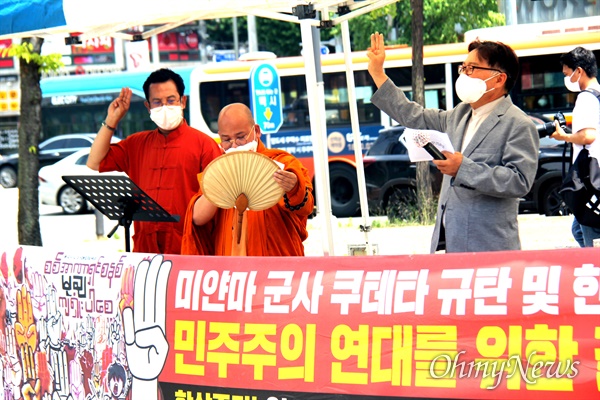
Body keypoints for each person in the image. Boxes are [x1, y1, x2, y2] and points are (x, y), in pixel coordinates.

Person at [367, 33, 539, 253]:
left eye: (472, 68)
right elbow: (413, 115)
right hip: (452, 241)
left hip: (491, 245)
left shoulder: (518, 124)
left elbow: (519, 182)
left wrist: (463, 168)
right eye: (463, 68)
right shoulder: (459, 114)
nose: (464, 75)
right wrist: (378, 74)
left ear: (499, 78)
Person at [87, 68, 222, 254]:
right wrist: (112, 120)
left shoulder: (205, 145)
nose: (164, 106)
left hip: (189, 249)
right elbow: (95, 162)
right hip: (145, 251)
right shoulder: (136, 144)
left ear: (183, 101)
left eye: (171, 100)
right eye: (157, 102)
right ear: (148, 107)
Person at [181, 103, 314, 256]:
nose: (234, 145)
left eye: (241, 137)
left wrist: (294, 187)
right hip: (232, 271)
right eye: (226, 139)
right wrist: (222, 179)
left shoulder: (282, 162)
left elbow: (307, 206)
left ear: (256, 131)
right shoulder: (217, 170)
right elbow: (197, 218)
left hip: (274, 266)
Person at [549, 46, 600, 247]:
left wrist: (563, 136)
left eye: (567, 74)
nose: (566, 79)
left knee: (590, 239)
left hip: (591, 180)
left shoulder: (586, 97)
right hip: (597, 177)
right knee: (577, 228)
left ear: (579, 71)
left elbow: (588, 135)